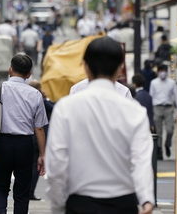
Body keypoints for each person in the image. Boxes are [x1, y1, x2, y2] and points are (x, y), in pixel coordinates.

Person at [46, 37, 155, 214]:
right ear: (120, 68)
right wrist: (146, 199)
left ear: (85, 66)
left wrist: (58, 205)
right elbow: (141, 161)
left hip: (80, 203)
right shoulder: (134, 111)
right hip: (123, 204)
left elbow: (57, 163)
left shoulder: (65, 108)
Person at [0, 54, 48, 214]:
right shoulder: (35, 94)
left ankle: (1, 212)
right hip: (25, 144)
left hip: (2, 143)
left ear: (10, 69)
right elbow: (39, 128)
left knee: (0, 186)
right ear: (29, 74)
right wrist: (42, 154)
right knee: (22, 190)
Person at [28, 80, 54, 202]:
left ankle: (27, 191)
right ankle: (30, 192)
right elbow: (55, 108)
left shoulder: (27, 99)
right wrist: (46, 98)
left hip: (28, 134)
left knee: (29, 165)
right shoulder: (42, 100)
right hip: (40, 135)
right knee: (36, 166)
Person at [150, 64, 177, 159]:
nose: (162, 73)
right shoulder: (154, 82)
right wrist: (151, 110)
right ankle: (159, 150)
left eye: (164, 71)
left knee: (170, 129)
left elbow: (176, 96)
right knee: (158, 131)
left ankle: (167, 144)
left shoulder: (172, 83)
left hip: (168, 107)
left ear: (167, 72)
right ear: (158, 72)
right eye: (161, 71)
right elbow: (151, 96)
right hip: (157, 107)